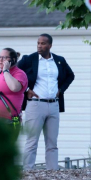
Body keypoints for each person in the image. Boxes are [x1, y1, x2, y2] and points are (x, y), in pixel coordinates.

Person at [18, 34, 75, 170]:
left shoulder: (59, 60)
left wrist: (61, 90)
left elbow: (70, 75)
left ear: (50, 45)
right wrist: (26, 90)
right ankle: (28, 172)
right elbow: (16, 73)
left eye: (43, 43)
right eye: (38, 43)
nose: (39, 45)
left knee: (52, 143)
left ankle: (52, 172)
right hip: (36, 105)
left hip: (54, 105)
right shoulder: (29, 59)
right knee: (32, 141)